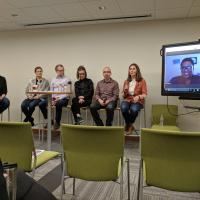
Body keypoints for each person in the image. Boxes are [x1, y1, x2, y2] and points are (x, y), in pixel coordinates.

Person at [121, 63, 147, 134]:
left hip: (137, 101)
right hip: (127, 99)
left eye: (133, 69)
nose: (131, 70)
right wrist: (125, 91)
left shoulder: (142, 81)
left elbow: (145, 94)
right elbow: (123, 95)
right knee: (123, 108)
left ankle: (128, 125)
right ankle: (130, 125)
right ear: (129, 71)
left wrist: (138, 97)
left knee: (134, 109)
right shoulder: (126, 81)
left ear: (137, 70)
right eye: (130, 69)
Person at [51, 64, 71, 129]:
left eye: (62, 70)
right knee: (44, 103)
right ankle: (49, 121)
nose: (61, 72)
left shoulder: (68, 79)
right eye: (59, 70)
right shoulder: (53, 79)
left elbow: (68, 93)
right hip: (55, 99)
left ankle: (57, 122)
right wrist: (53, 99)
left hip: (64, 99)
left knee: (58, 103)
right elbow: (51, 91)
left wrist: (58, 99)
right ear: (56, 71)